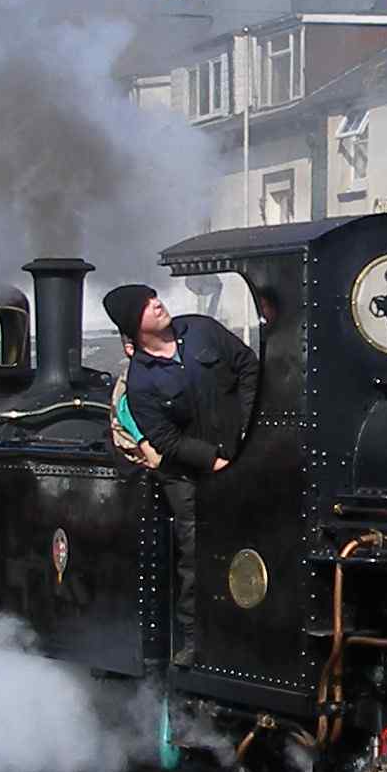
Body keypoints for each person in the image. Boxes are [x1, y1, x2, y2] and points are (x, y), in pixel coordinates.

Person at [103, 281, 258, 666]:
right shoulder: (140, 382)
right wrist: (214, 461)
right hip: (188, 475)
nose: (156, 303)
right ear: (132, 324)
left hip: (243, 450)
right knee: (196, 551)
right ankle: (196, 641)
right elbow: (165, 440)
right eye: (145, 304)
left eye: (154, 296)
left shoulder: (202, 330)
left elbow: (247, 367)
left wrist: (250, 430)